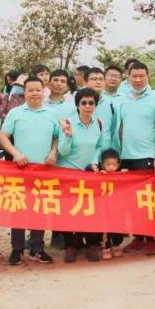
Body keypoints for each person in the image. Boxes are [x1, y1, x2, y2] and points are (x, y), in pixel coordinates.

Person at [0, 76, 69, 266]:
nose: (35, 93)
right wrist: (15, 153)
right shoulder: (15, 113)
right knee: (18, 208)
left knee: (40, 208)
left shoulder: (53, 113)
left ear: (43, 90)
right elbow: (3, 137)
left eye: (38, 90)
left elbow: (58, 137)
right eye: (30, 90)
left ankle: (37, 249)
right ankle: (17, 249)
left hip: (44, 170)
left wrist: (53, 153)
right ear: (25, 92)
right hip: (20, 169)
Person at [57, 87, 112, 262]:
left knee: (90, 210)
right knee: (68, 211)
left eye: (91, 103)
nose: (88, 106)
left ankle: (91, 245)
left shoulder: (99, 123)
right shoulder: (68, 123)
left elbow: (99, 146)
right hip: (68, 174)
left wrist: (94, 162)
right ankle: (72, 245)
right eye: (84, 103)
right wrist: (67, 136)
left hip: (89, 175)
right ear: (78, 105)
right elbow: (63, 152)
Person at [117, 61, 155, 255]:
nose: (138, 80)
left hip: (148, 156)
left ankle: (151, 239)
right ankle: (138, 238)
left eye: (141, 76)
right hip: (126, 156)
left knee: (149, 201)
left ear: (148, 76)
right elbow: (121, 128)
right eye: (134, 76)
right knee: (132, 202)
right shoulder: (123, 99)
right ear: (128, 77)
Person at [98, 149, 125, 258]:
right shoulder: (101, 174)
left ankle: (116, 245)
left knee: (118, 227)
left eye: (114, 165)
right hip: (105, 208)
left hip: (118, 208)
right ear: (102, 165)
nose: (111, 167)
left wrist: (126, 174)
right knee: (106, 229)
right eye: (108, 164)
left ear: (118, 165)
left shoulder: (121, 175)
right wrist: (100, 174)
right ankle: (106, 247)